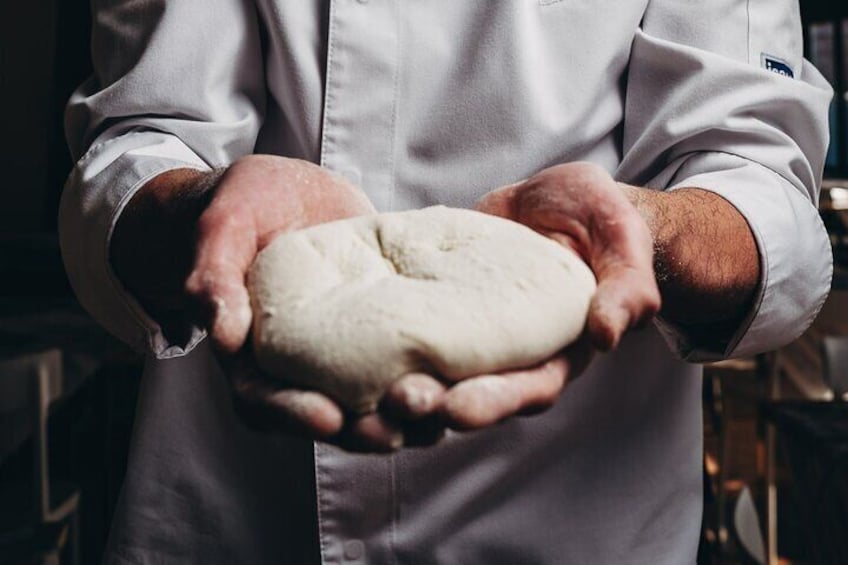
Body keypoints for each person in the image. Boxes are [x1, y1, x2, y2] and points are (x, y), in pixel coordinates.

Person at [60, 1, 832, 563]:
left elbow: (754, 173)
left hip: (578, 524)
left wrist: (648, 231)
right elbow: (142, 133)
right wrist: (201, 210)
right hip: (236, 514)